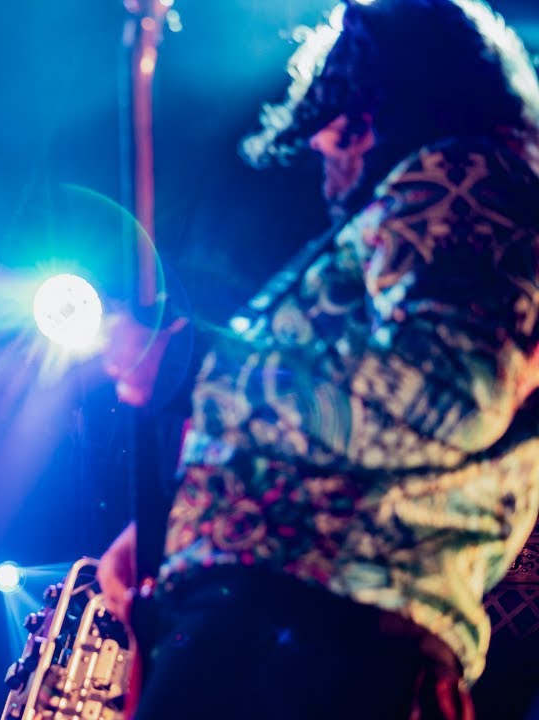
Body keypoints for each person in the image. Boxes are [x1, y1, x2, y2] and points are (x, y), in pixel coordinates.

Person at [96, 1, 539, 718]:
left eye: (335, 131)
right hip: (295, 636)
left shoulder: (462, 178)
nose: (324, 162)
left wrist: (193, 368)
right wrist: (175, 531)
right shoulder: (429, 203)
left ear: (373, 106)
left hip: (318, 645)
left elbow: (446, 391)